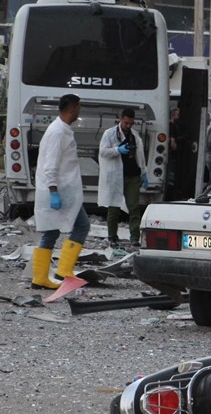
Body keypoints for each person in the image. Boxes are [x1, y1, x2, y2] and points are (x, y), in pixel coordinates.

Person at [32, 94, 88, 290]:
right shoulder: (57, 132)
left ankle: (57, 272)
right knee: (55, 230)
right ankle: (47, 275)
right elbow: (51, 166)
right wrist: (53, 191)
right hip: (57, 191)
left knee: (69, 228)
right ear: (72, 108)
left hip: (64, 190)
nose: (79, 111)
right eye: (78, 107)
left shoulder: (63, 130)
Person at [97, 108, 148, 251]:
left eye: (131, 123)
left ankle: (134, 238)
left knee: (133, 207)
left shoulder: (134, 135)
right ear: (121, 119)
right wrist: (117, 150)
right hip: (116, 177)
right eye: (126, 123)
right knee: (113, 208)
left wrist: (144, 172)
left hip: (132, 176)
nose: (128, 126)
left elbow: (140, 156)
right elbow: (102, 152)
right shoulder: (110, 134)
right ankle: (112, 237)